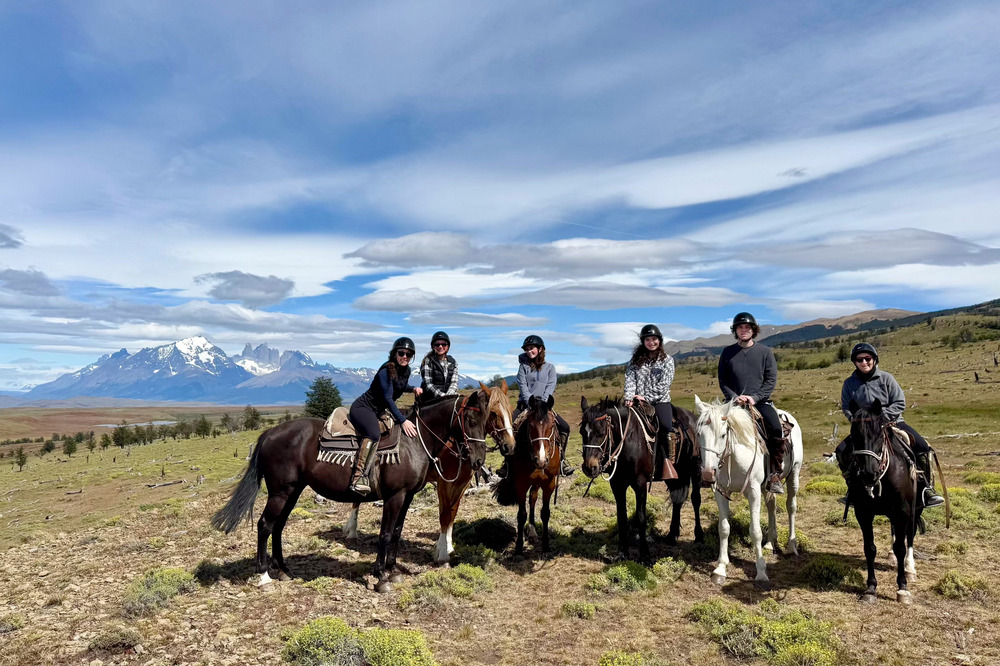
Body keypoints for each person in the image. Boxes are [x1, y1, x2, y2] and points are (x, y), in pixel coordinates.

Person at [837, 342, 944, 508]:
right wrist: (855, 420)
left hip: (894, 422)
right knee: (842, 450)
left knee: (922, 447)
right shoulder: (849, 383)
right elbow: (846, 406)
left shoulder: (886, 379)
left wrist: (882, 418)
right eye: (859, 360)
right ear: (854, 362)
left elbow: (900, 402)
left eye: (868, 358)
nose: (864, 362)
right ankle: (852, 489)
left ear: (874, 359)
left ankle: (927, 489)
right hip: (864, 429)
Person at [718, 312, 788, 494]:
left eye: (747, 327)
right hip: (733, 402)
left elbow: (770, 380)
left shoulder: (764, 352)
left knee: (775, 427)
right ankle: (710, 471)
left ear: (753, 330)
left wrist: (754, 397)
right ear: (735, 330)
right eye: (740, 327)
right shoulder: (727, 352)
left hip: (760, 403)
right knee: (711, 427)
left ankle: (774, 473)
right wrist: (735, 397)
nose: (744, 330)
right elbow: (723, 380)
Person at [348, 337, 423, 495]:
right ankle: (358, 476)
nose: (405, 356)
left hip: (378, 409)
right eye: (401, 353)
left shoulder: (405, 370)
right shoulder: (386, 371)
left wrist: (413, 388)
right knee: (373, 434)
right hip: (364, 407)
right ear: (394, 353)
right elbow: (388, 398)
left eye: (408, 355)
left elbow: (400, 386)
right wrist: (403, 421)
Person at [507, 335, 574, 476]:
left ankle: (562, 460)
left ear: (540, 349)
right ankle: (507, 464)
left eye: (531, 348)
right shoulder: (523, 367)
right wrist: (530, 401)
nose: (528, 351)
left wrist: (542, 403)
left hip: (544, 406)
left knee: (565, 428)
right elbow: (523, 386)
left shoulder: (550, 368)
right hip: (525, 405)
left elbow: (550, 386)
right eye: (527, 349)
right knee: (509, 428)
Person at [624, 324, 678, 480]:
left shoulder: (667, 361)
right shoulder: (635, 361)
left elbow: (664, 385)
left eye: (654, 339)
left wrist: (645, 397)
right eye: (647, 339)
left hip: (659, 401)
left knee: (666, 426)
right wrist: (629, 396)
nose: (651, 342)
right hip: (636, 401)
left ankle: (667, 461)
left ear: (659, 341)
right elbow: (629, 379)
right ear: (643, 341)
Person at [420, 331, 459, 399]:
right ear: (433, 346)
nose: (440, 347)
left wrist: (448, 396)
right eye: (437, 345)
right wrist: (442, 396)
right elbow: (428, 384)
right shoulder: (428, 361)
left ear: (448, 346)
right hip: (431, 400)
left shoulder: (453, 362)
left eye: (443, 344)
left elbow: (454, 383)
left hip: (448, 398)